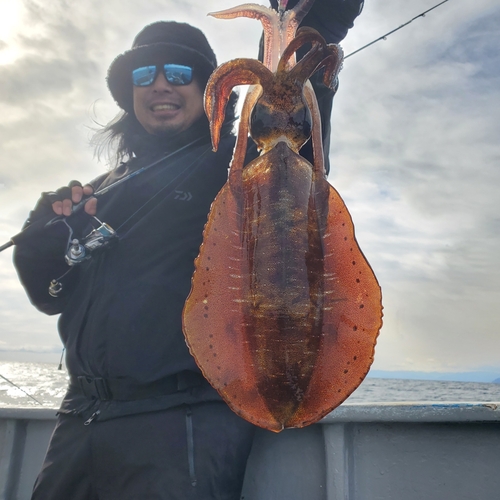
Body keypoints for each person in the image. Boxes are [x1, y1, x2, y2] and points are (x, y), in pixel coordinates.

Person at [13, 1, 364, 499]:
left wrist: (314, 23)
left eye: (179, 73)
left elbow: (291, 120)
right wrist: (42, 231)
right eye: (145, 74)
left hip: (183, 424)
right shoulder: (97, 190)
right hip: (79, 421)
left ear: (211, 90)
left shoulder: (234, 163)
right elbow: (50, 294)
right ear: (129, 93)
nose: (160, 84)